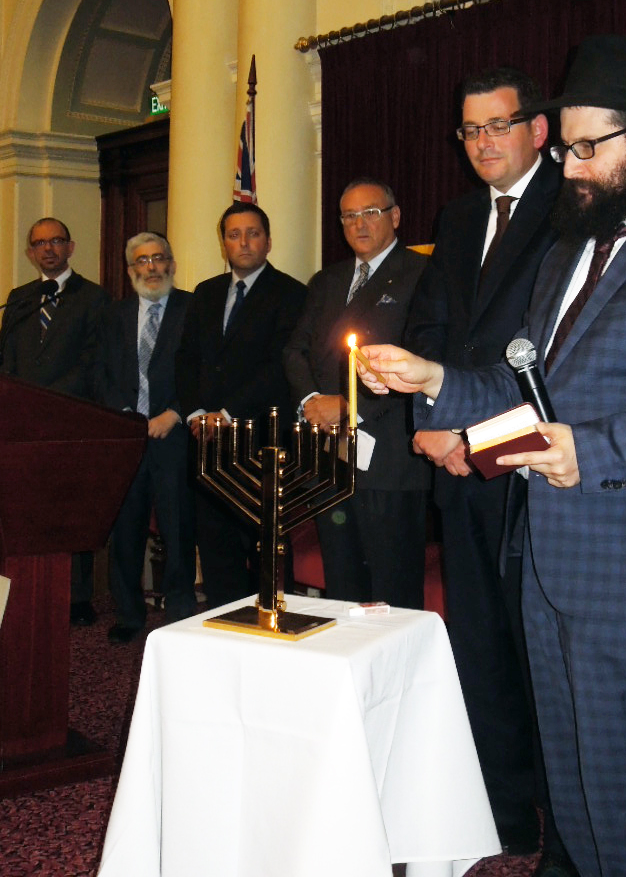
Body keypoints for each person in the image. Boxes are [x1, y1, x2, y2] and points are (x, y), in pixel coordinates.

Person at [354, 34, 626, 877]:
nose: (571, 168)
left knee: (623, 785)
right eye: (568, 146)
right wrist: (433, 377)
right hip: (544, 553)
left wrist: (592, 449)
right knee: (572, 784)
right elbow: (527, 394)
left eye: (588, 147)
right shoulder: (569, 250)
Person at [404, 67, 567, 869]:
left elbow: (556, 349)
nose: (483, 143)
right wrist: (434, 425)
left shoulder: (575, 207)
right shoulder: (460, 215)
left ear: (538, 130)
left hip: (531, 468)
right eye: (470, 131)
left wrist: (476, 437)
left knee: (539, 645)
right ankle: (505, 811)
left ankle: (560, 808)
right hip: (453, 462)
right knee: (477, 641)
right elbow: (431, 321)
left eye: (497, 126)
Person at [283, 179, 430, 608]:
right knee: (343, 586)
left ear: (395, 216)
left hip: (390, 456)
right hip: (331, 454)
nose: (359, 224)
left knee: (393, 589)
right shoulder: (326, 280)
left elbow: (422, 359)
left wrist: (349, 406)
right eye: (349, 215)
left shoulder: (421, 275)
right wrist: (312, 401)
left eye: (371, 212)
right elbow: (296, 350)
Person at [175, 202, 306, 607]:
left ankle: (262, 624)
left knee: (261, 542)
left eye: (252, 233)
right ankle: (223, 620)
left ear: (268, 240)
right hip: (208, 439)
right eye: (234, 234)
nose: (243, 242)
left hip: (262, 437)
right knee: (214, 542)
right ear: (223, 243)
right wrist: (197, 413)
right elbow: (186, 359)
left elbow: (278, 365)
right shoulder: (206, 292)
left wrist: (227, 413)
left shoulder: (292, 293)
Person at [0, 217, 109, 626]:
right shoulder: (20, 297)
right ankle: (26, 590)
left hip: (70, 420)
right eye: (39, 243)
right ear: (30, 253)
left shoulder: (94, 298)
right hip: (23, 426)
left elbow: (93, 360)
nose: (48, 249)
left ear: (71, 247)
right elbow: (7, 355)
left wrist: (46, 400)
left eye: (56, 241)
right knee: (26, 510)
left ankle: (77, 598)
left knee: (70, 510)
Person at [97, 232, 196, 643]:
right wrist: (122, 415)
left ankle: (179, 612)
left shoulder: (193, 309)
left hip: (174, 436)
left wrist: (173, 413)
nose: (151, 267)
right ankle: (129, 615)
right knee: (126, 529)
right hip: (127, 438)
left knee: (177, 527)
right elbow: (99, 372)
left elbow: (202, 371)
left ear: (171, 264)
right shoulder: (114, 315)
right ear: (130, 269)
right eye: (142, 260)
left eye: (159, 258)